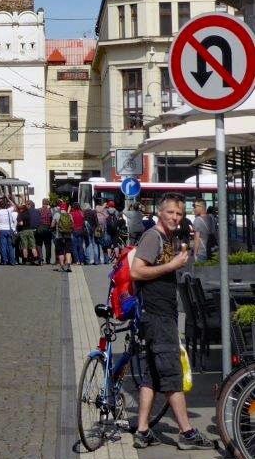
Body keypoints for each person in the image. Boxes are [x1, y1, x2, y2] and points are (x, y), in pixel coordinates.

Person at [130, 193, 213, 450]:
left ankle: (142, 431)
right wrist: (171, 266)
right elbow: (136, 270)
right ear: (160, 213)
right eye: (170, 213)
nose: (175, 218)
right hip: (157, 317)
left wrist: (179, 258)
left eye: (179, 214)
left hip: (158, 315)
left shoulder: (167, 237)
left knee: (151, 376)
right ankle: (187, 433)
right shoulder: (153, 237)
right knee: (172, 375)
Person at [52, 200, 74, 273]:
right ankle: (68, 264)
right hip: (68, 236)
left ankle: (62, 266)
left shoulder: (56, 214)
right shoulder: (69, 215)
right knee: (68, 251)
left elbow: (52, 225)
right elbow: (72, 225)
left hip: (59, 236)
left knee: (60, 252)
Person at [0, 197, 18, 266]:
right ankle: (12, 261)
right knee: (10, 246)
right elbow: (14, 206)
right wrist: (8, 199)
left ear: (0, 205)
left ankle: (4, 261)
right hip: (9, 230)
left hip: (2, 230)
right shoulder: (9, 210)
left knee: (3, 246)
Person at [20, 200, 40, 265]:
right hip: (31, 230)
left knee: (24, 247)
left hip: (24, 231)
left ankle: (26, 260)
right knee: (33, 246)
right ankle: (36, 259)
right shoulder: (31, 213)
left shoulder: (21, 214)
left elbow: (21, 223)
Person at [37, 200, 53, 265]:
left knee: (39, 244)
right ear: (47, 204)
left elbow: (37, 219)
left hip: (40, 227)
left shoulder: (39, 210)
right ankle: (48, 259)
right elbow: (51, 219)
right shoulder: (50, 211)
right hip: (47, 228)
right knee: (48, 245)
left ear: (42, 203)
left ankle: (40, 258)